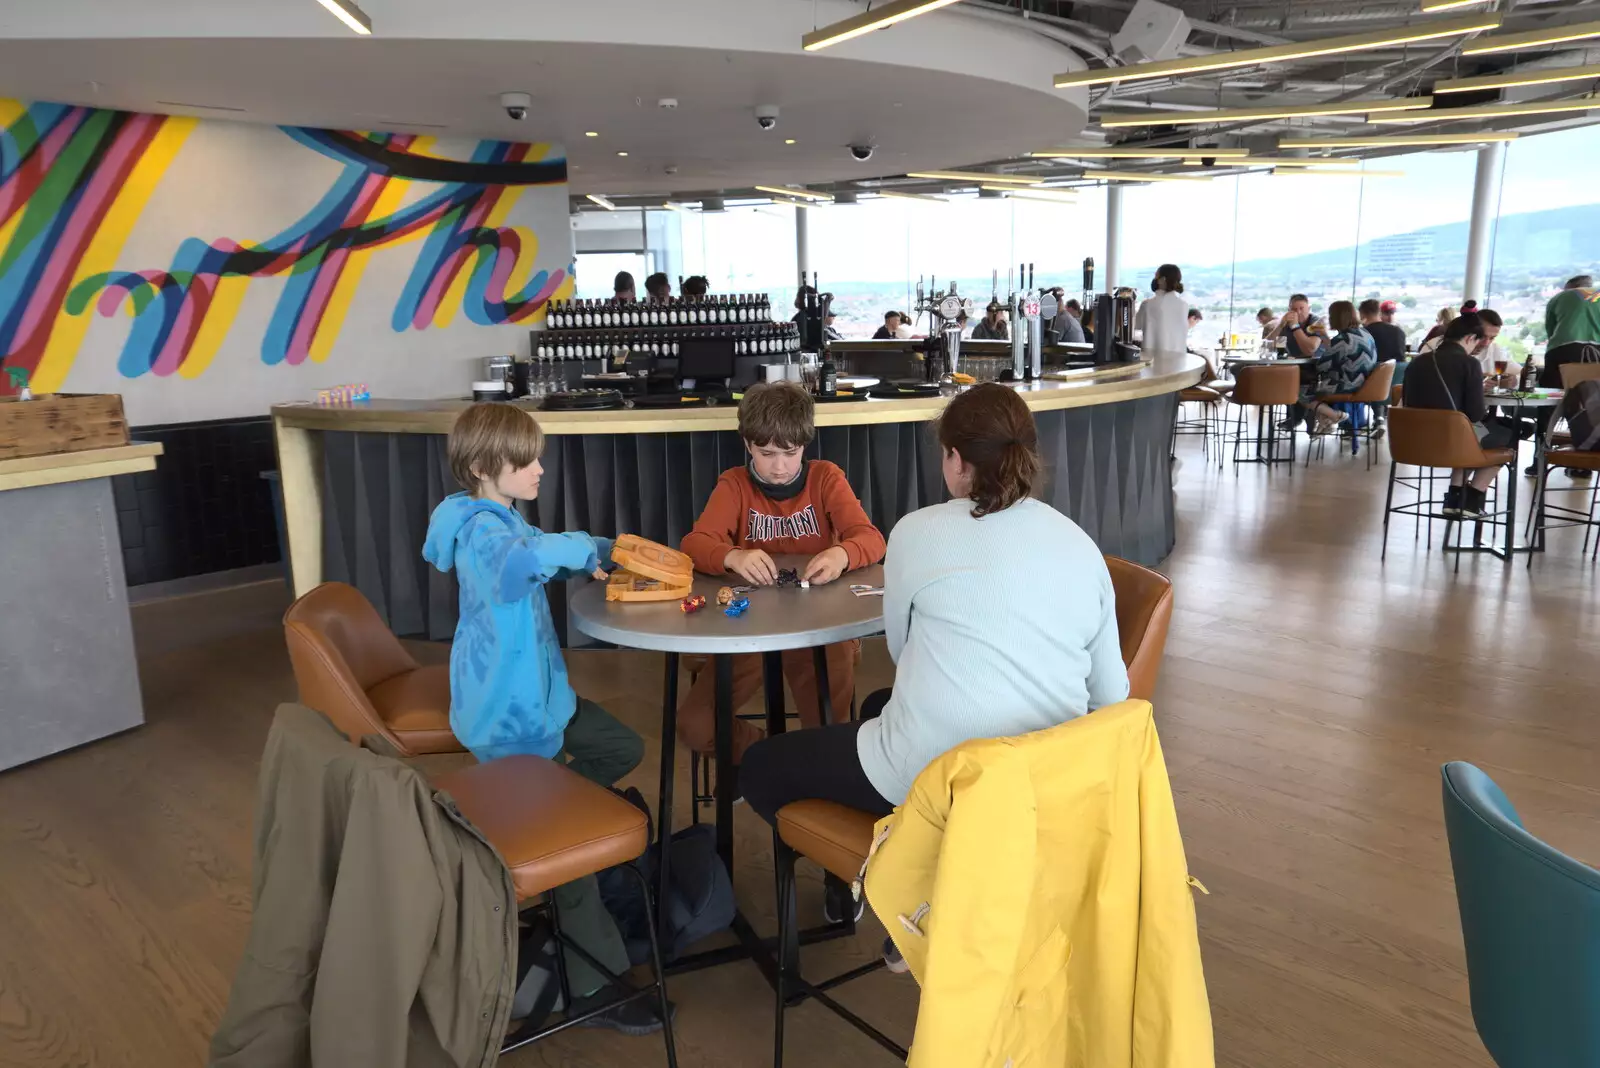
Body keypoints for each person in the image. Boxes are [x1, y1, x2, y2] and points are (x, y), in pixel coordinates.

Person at [740, 383, 1130, 957]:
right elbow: (1112, 694)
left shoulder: (918, 531)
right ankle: (959, 869)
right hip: (1040, 786)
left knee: (760, 767)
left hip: (939, 773)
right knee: (876, 707)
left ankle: (915, 886)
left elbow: (902, 649)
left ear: (955, 460)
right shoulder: (1080, 543)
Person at [420, 403, 662, 1035]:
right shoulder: (481, 534)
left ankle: (557, 830)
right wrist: (592, 547)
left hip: (541, 701)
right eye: (523, 461)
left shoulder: (494, 519)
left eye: (537, 456)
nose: (539, 470)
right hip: (511, 720)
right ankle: (598, 987)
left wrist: (579, 557)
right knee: (574, 865)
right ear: (480, 467)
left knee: (621, 747)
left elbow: (527, 551)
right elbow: (518, 564)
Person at [676, 381, 885, 774]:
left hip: (818, 626)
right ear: (747, 444)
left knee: (830, 731)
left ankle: (808, 773)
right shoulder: (735, 484)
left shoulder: (825, 478)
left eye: (790, 453)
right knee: (696, 725)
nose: (779, 467)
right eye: (766, 453)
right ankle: (771, 762)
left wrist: (842, 553)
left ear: (805, 445)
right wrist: (732, 554)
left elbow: (871, 539)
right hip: (747, 627)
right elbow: (695, 543)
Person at [1403, 312, 1529, 517]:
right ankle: (1472, 497)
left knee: (1472, 436)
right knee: (1511, 433)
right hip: (1451, 441)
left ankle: (1455, 495)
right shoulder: (1469, 364)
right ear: (1470, 338)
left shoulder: (1417, 362)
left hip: (1413, 441)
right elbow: (1475, 413)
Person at [1298, 300, 1376, 436]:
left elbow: (1322, 366)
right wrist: (1324, 336)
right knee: (1315, 389)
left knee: (1298, 391)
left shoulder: (1343, 338)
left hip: (1347, 385)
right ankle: (1325, 421)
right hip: (1366, 385)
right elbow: (1339, 352)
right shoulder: (1365, 334)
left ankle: (1334, 415)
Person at [1541, 274, 1600, 389]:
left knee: (1553, 390)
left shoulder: (1558, 298)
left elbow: (1551, 330)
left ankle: (1549, 407)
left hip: (1563, 348)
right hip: (1598, 350)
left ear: (1570, 287)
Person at [1134, 263, 1189, 354]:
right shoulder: (1184, 305)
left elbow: (1136, 326)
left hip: (1153, 359)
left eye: (1156, 276)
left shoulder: (1147, 304)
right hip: (1178, 360)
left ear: (1162, 280)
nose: (1154, 280)